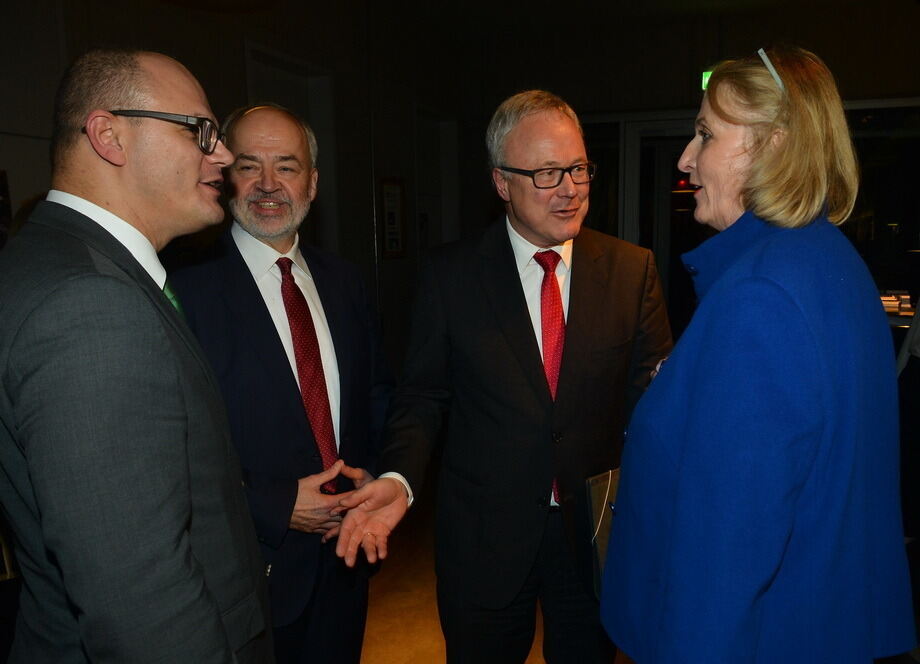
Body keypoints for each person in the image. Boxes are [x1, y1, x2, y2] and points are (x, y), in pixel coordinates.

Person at [601, 46, 917, 662]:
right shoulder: (832, 263)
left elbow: (726, 554)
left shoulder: (759, 296)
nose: (685, 160)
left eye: (705, 135)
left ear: (773, 145)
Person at [335, 90, 672, 662]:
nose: (569, 187)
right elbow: (423, 395)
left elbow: (653, 406)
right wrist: (400, 475)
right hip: (484, 541)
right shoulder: (452, 277)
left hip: (594, 538)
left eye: (578, 168)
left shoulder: (631, 270)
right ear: (501, 182)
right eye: (545, 173)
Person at [0, 49, 273, 662]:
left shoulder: (49, 263)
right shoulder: (88, 306)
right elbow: (140, 601)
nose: (223, 155)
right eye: (200, 131)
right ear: (109, 136)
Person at [170, 103, 391, 664]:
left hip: (346, 561)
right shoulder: (183, 289)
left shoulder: (344, 281)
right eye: (249, 166)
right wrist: (271, 505)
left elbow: (375, 394)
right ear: (225, 177)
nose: (269, 185)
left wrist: (377, 474)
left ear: (312, 183)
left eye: (287, 167)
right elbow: (173, 445)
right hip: (252, 575)